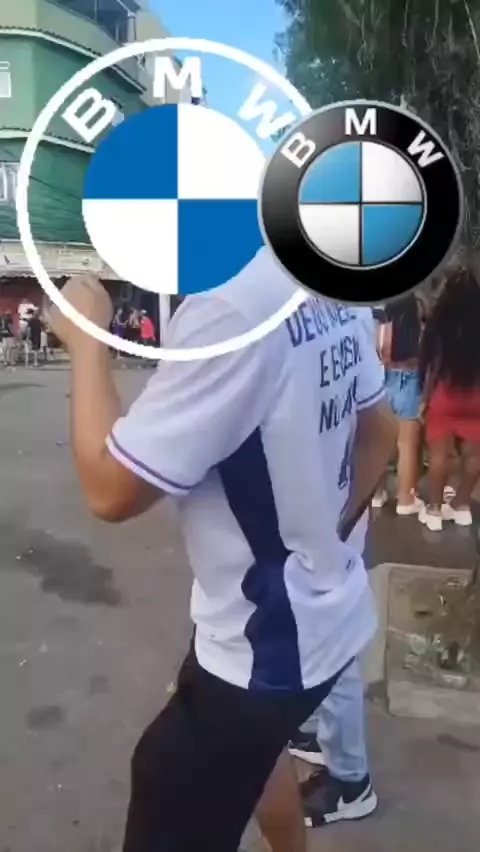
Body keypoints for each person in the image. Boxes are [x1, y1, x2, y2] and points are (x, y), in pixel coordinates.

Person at [46, 253, 395, 852]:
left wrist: (86, 339)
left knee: (168, 780)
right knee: (255, 757)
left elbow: (108, 487)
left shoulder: (228, 309)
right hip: (325, 619)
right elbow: (380, 429)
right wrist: (325, 542)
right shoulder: (322, 272)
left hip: (263, 649)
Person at [287, 307, 381, 827]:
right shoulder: (341, 305)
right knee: (314, 635)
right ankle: (311, 731)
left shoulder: (329, 305)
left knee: (333, 644)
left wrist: (339, 526)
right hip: (328, 510)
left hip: (325, 515)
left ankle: (350, 779)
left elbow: (380, 426)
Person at [418, 264, 480, 531]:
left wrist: (425, 398)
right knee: (474, 454)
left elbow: (432, 364)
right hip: (476, 396)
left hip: (445, 393)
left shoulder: (440, 322)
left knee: (439, 455)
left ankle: (434, 511)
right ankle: (462, 506)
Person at [373, 293, 424, 514]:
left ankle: (377, 494)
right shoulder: (419, 331)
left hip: (382, 380)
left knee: (380, 444)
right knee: (407, 446)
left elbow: (379, 352)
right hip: (409, 381)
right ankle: (405, 499)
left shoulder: (381, 326)